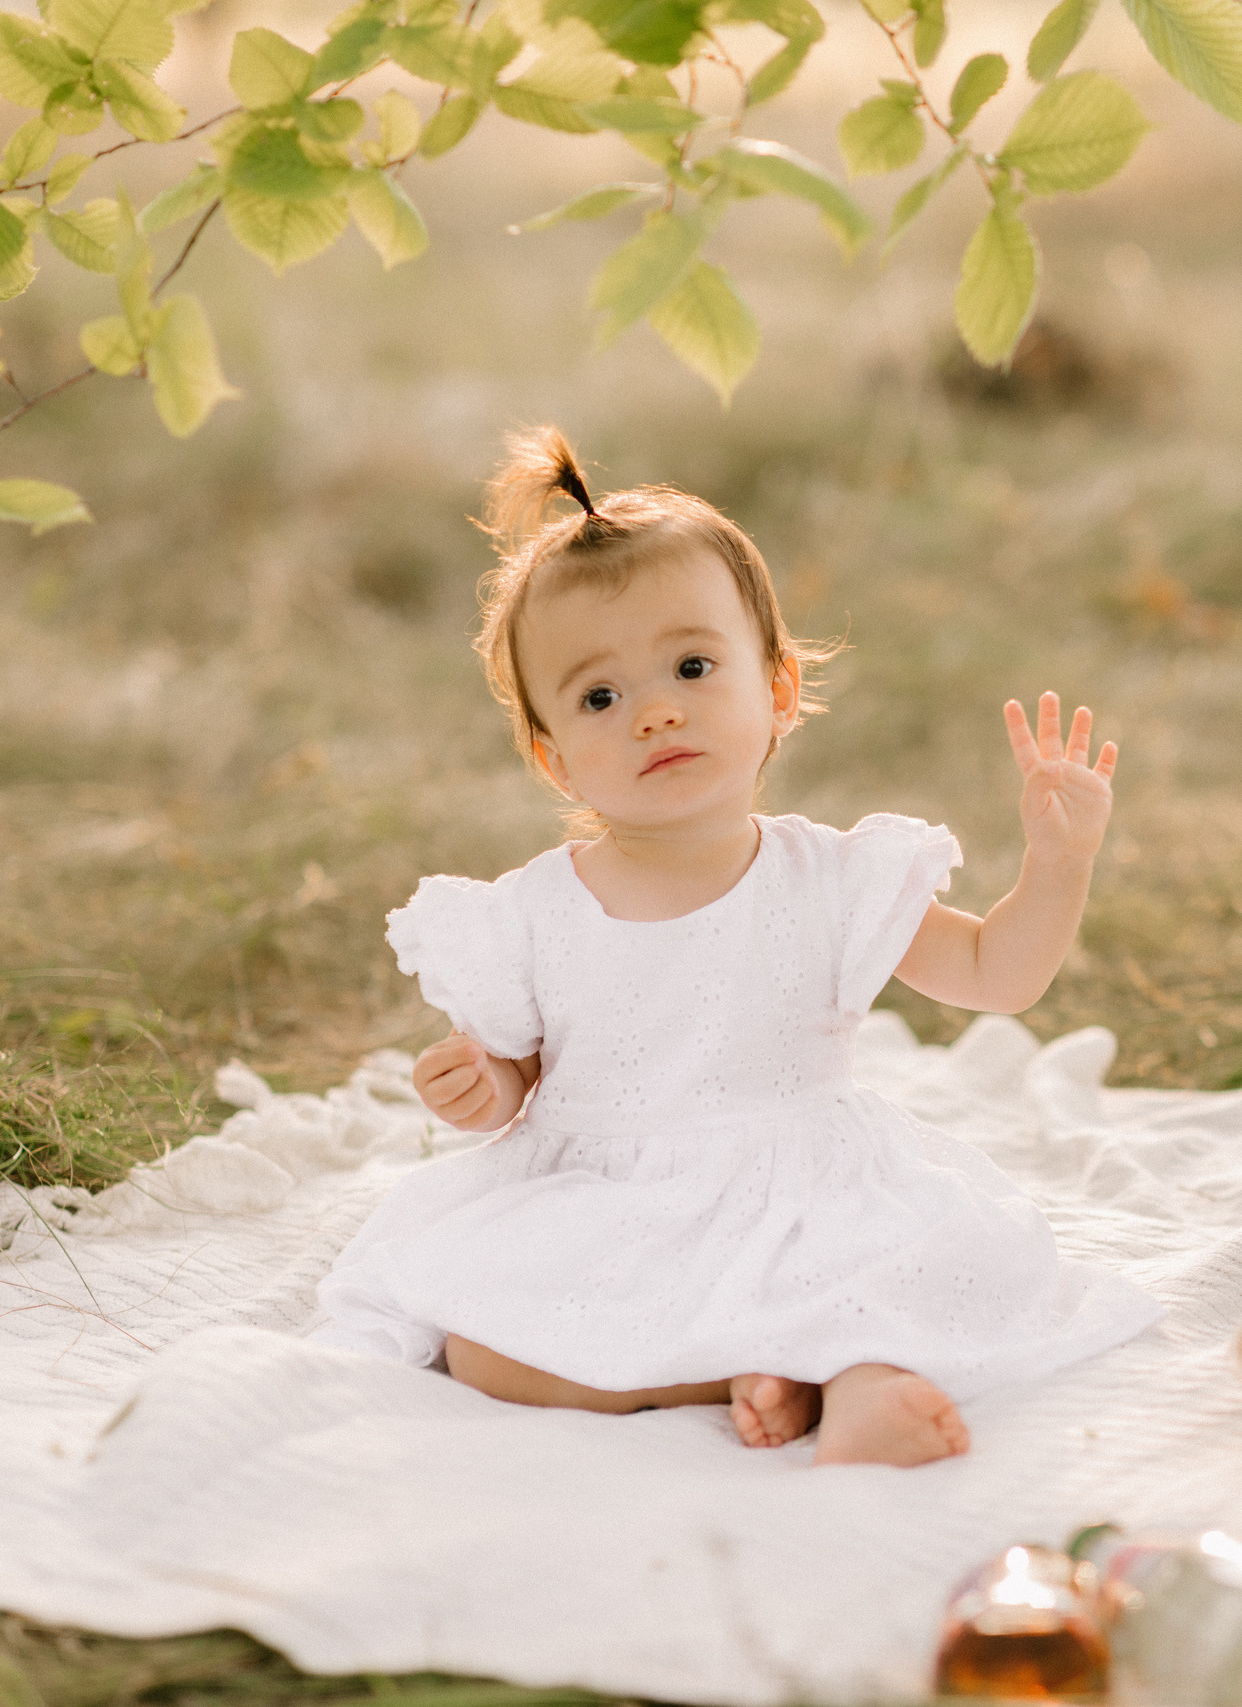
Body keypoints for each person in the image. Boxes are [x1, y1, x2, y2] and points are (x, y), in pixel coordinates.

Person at [311, 428, 1162, 1466]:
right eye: (599, 697)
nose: (655, 710)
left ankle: (855, 1379)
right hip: (612, 1199)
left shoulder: (829, 879)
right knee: (482, 1349)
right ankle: (766, 1364)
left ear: (777, 689)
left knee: (927, 1261)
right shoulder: (533, 911)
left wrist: (1056, 864)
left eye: (692, 665)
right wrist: (482, 1083)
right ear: (553, 759)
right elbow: (519, 1073)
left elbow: (998, 974)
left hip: (800, 1183)